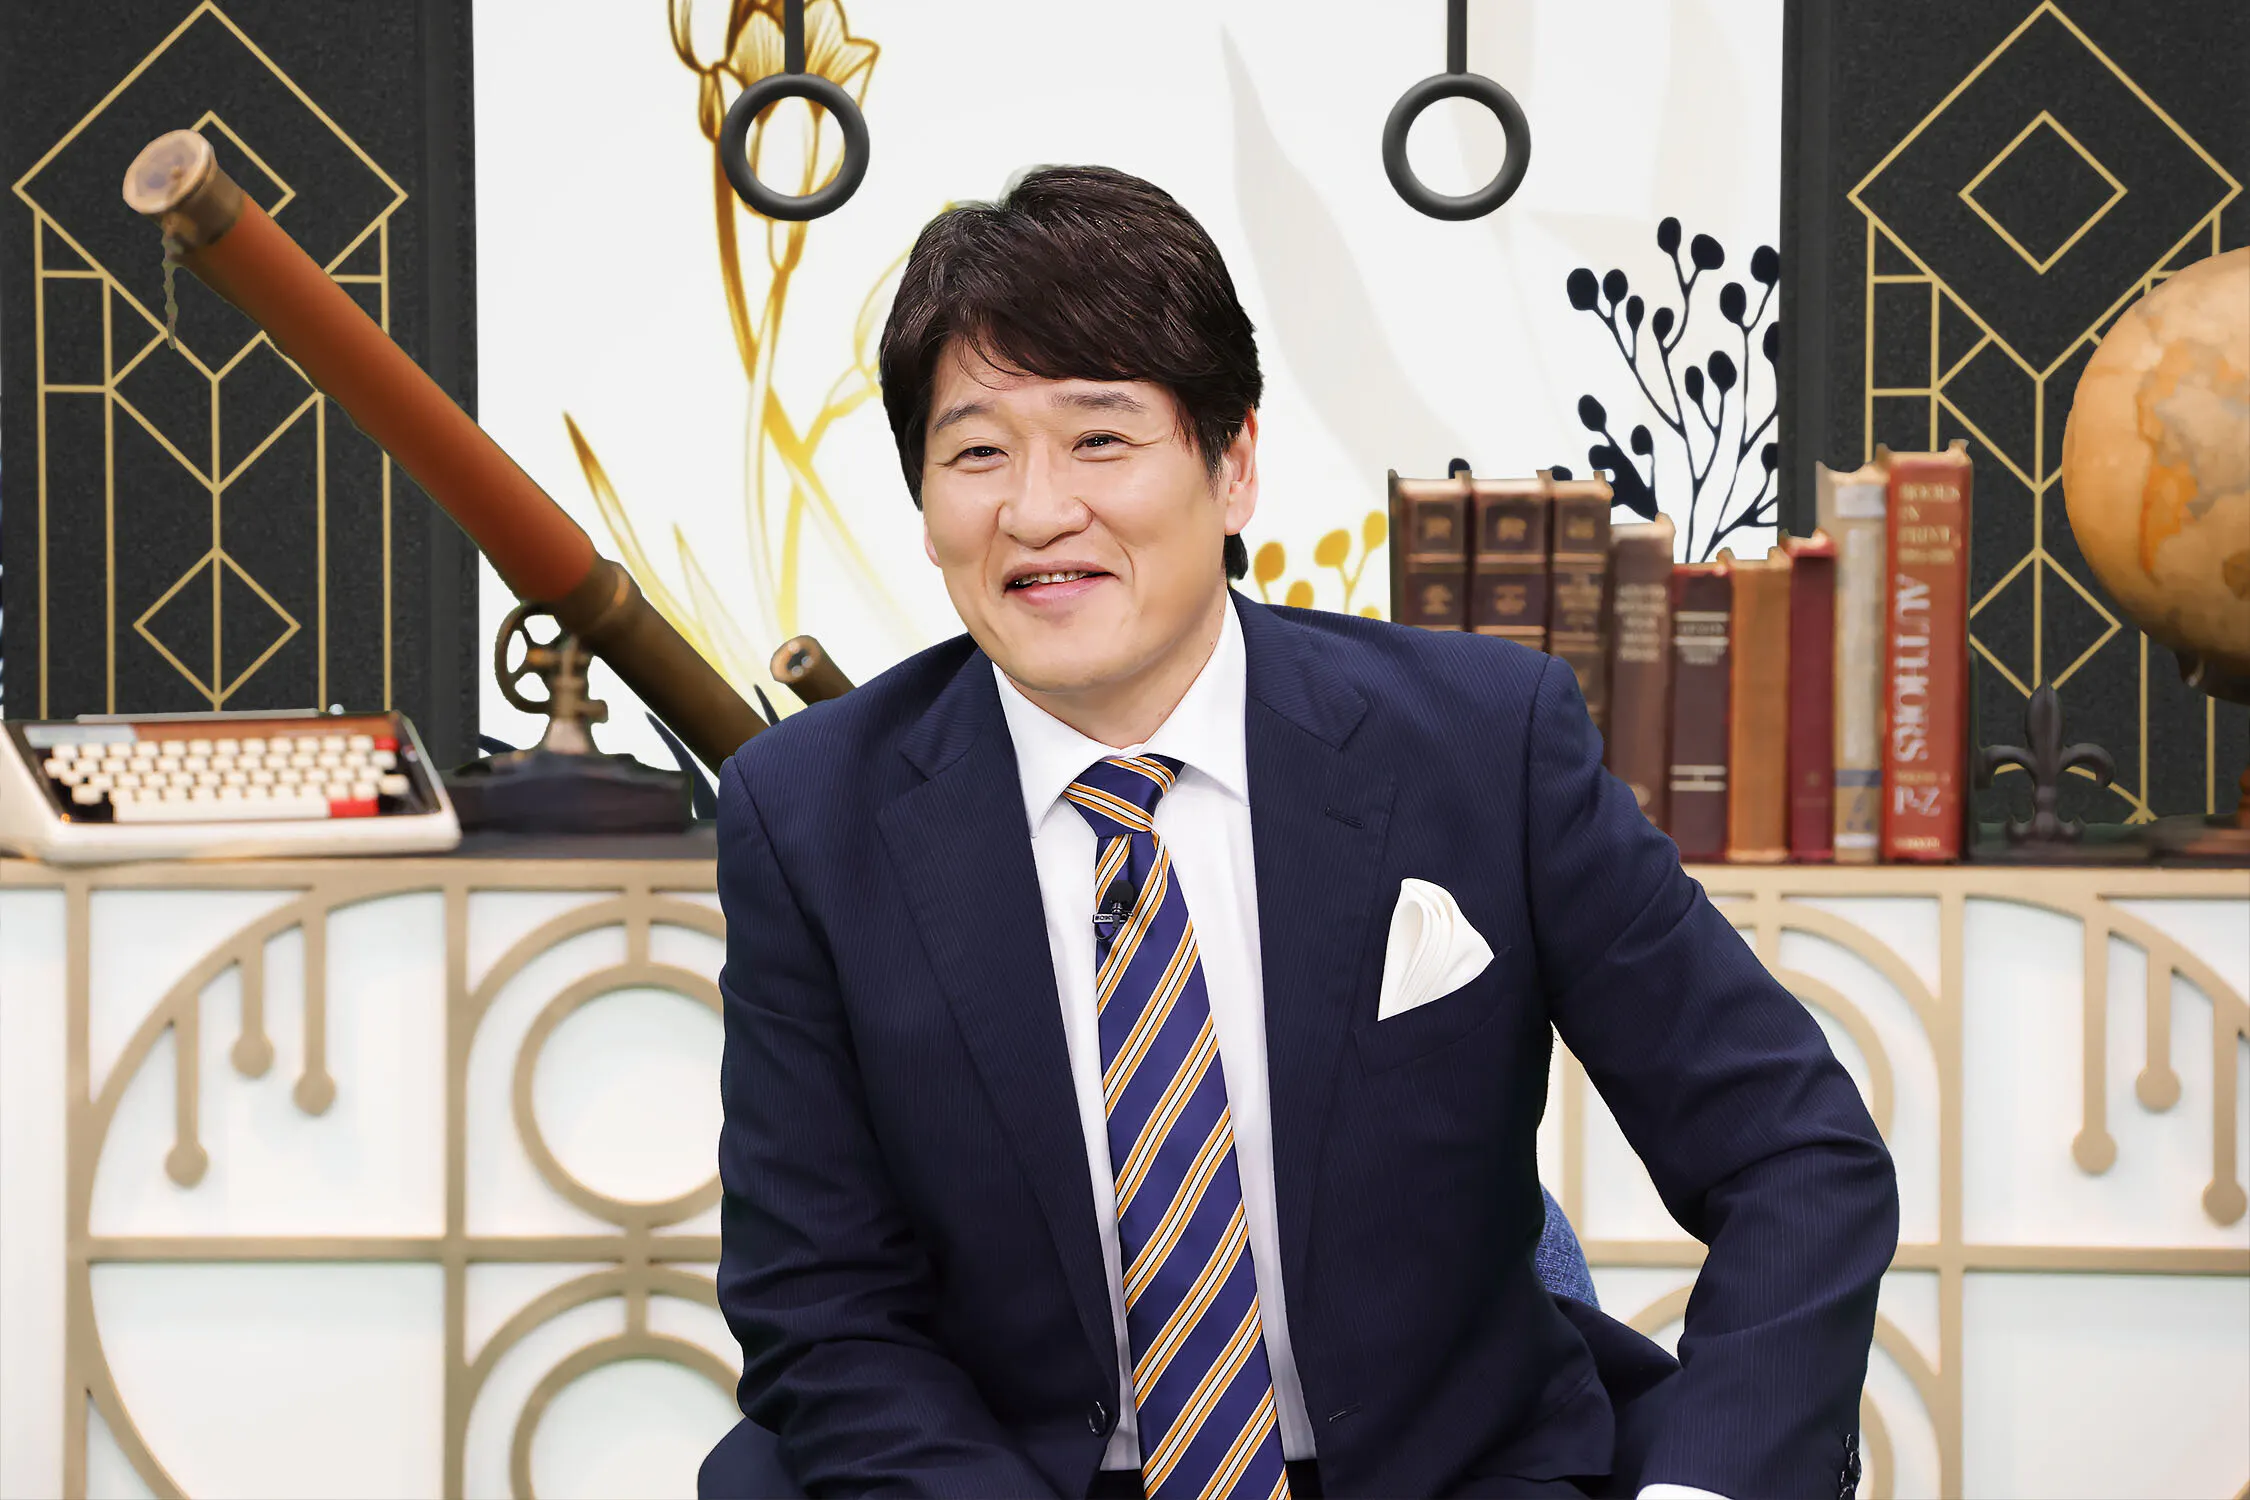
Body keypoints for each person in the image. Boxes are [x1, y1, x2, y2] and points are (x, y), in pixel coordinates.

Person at [709, 166, 1897, 1499]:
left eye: (1100, 439)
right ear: (927, 507)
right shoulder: (807, 816)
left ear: (1233, 469)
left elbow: (1791, 1150)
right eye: (977, 452)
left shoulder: (1480, 745)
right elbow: (822, 1306)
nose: (1036, 511)